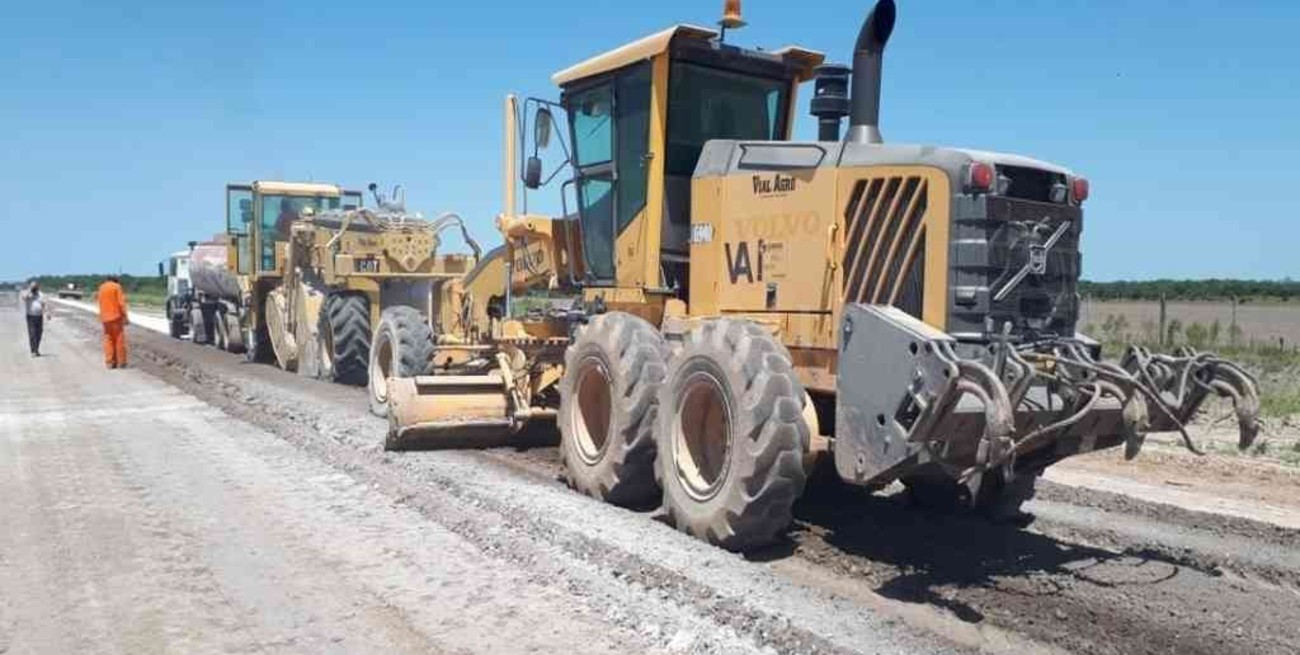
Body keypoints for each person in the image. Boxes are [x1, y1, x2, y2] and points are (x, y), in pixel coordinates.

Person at [97, 275, 130, 369]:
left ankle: (110, 362)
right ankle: (121, 362)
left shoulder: (101, 287)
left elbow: (99, 302)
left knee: (108, 339)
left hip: (105, 318)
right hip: (116, 318)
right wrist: (125, 317)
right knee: (119, 340)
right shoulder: (117, 287)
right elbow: (121, 303)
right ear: (116, 281)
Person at [20, 280, 51, 356]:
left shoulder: (40, 294)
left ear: (38, 287)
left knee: (39, 334)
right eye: (33, 286)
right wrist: (30, 290)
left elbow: (44, 304)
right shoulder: (27, 293)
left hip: (39, 316)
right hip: (30, 316)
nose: (34, 288)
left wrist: (47, 313)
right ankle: (33, 351)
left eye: (35, 286)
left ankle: (36, 349)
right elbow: (24, 298)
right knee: (32, 333)